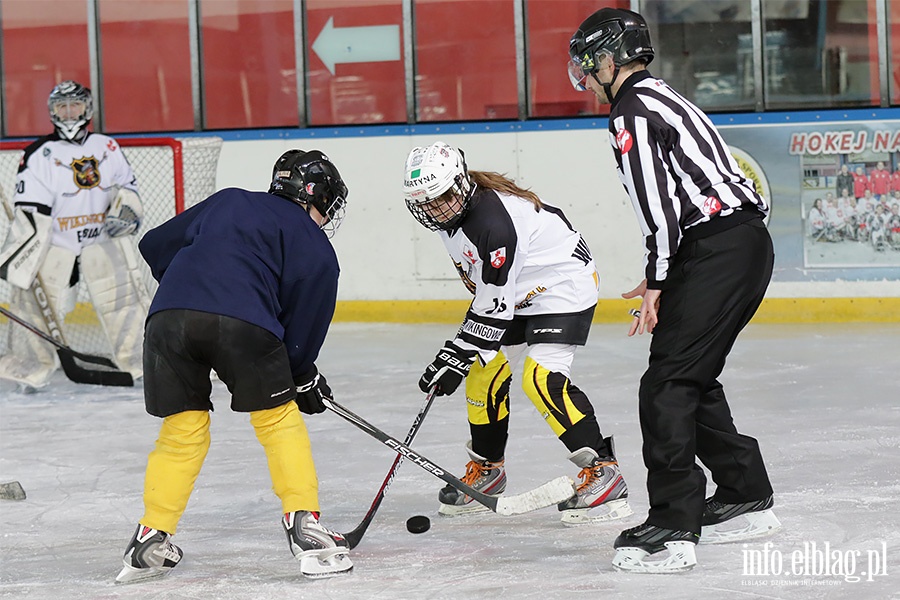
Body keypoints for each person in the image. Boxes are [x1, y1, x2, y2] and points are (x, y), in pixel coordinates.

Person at [568, 8, 781, 573]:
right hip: (735, 245)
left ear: (611, 59)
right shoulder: (661, 94)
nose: (586, 80)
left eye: (588, 67)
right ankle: (742, 493)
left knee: (665, 384)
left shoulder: (630, 112)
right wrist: (665, 269)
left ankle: (672, 526)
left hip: (718, 251)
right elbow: (689, 202)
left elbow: (659, 211)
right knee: (689, 376)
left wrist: (660, 278)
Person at [114, 149, 352, 583]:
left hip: (167, 320)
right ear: (315, 200)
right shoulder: (316, 247)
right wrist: (301, 378)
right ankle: (305, 528)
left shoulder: (229, 200)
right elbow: (299, 338)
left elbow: (154, 244)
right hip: (243, 323)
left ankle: (150, 537)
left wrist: (195, 282)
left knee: (182, 431)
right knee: (278, 421)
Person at [402, 141, 631, 525]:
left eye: (441, 197)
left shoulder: (491, 224)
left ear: (460, 182)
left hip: (561, 287)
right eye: (425, 202)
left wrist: (451, 355)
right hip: (520, 291)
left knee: (540, 378)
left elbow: (492, 309)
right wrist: (460, 354)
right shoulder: (451, 216)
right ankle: (489, 470)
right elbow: (490, 300)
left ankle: (604, 472)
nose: (435, 208)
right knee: (481, 366)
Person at [0, 80, 147, 389]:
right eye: (61, 107)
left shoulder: (106, 147)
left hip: (101, 242)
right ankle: (32, 368)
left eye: (75, 106)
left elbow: (128, 189)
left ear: (87, 109)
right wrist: (19, 256)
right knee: (35, 306)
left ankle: (137, 361)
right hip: (56, 245)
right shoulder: (39, 153)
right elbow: (30, 211)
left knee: (124, 302)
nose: (68, 113)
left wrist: (127, 213)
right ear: (52, 112)